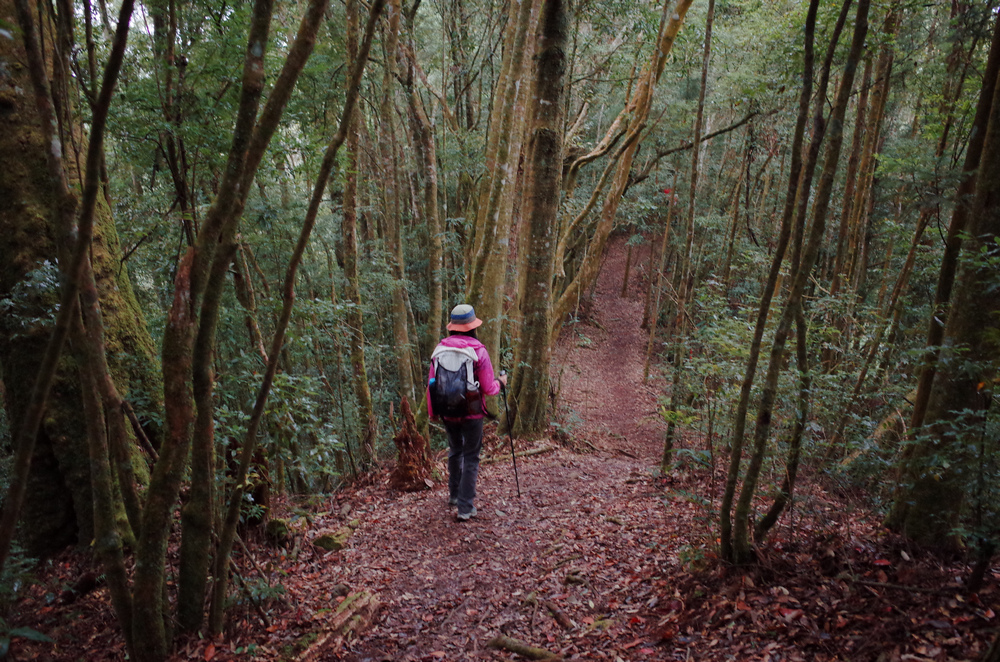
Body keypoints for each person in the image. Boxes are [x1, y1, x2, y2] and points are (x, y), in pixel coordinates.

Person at [427, 304, 507, 521]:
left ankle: (454, 495)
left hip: (447, 412)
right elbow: (489, 388)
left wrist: (432, 411)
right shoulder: (478, 351)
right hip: (472, 413)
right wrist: (501, 382)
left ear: (452, 327)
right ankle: (465, 507)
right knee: (471, 456)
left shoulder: (439, 350)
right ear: (472, 327)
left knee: (455, 451)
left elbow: (432, 384)